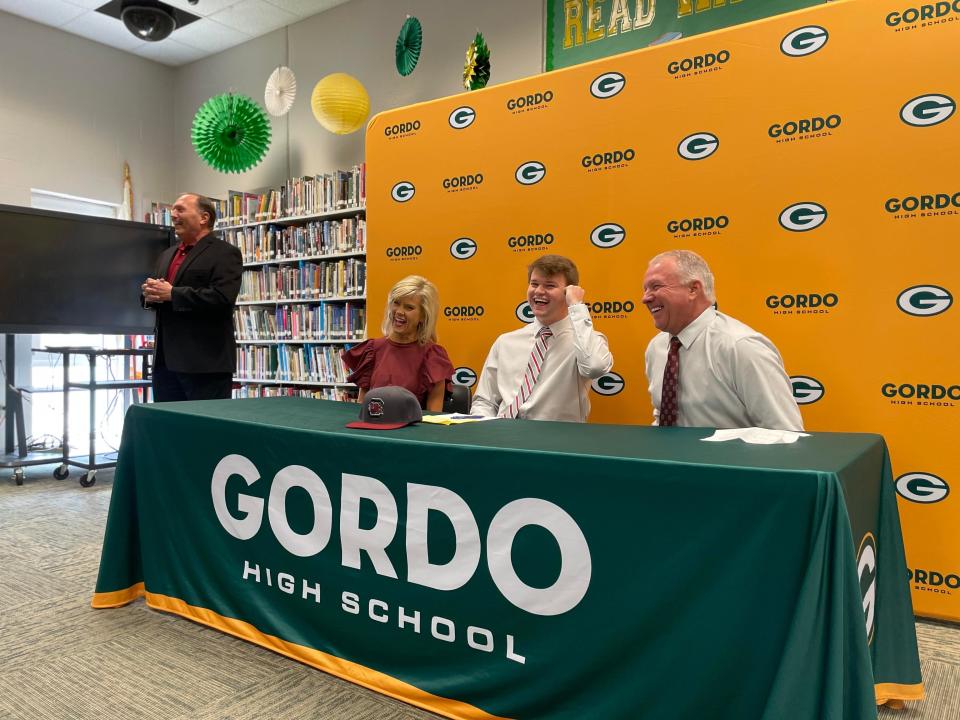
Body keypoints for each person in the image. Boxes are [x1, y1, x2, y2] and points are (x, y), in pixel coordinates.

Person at [642, 249, 803, 430]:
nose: (645, 298)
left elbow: (785, 432)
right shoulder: (657, 348)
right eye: (645, 289)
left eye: (656, 286)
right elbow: (662, 415)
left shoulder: (741, 346)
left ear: (693, 289)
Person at [472, 255, 613, 422]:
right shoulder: (506, 342)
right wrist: (487, 434)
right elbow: (484, 401)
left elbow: (595, 367)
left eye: (550, 285)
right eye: (534, 284)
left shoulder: (586, 342)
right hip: (502, 437)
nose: (538, 291)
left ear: (568, 292)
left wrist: (576, 305)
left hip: (555, 443)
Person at [142, 193, 242, 401]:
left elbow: (223, 298)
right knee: (169, 427)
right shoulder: (166, 255)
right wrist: (149, 296)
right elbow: (161, 296)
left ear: (204, 218)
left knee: (205, 430)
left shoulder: (225, 253)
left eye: (180, 209)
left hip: (204, 365)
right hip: (164, 364)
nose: (173, 215)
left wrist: (172, 294)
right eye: (172, 210)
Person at [342, 275, 454, 411]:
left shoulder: (433, 356)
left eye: (409, 307)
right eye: (396, 303)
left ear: (423, 316)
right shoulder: (372, 350)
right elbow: (362, 407)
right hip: (373, 429)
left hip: (413, 430)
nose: (399, 312)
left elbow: (434, 418)